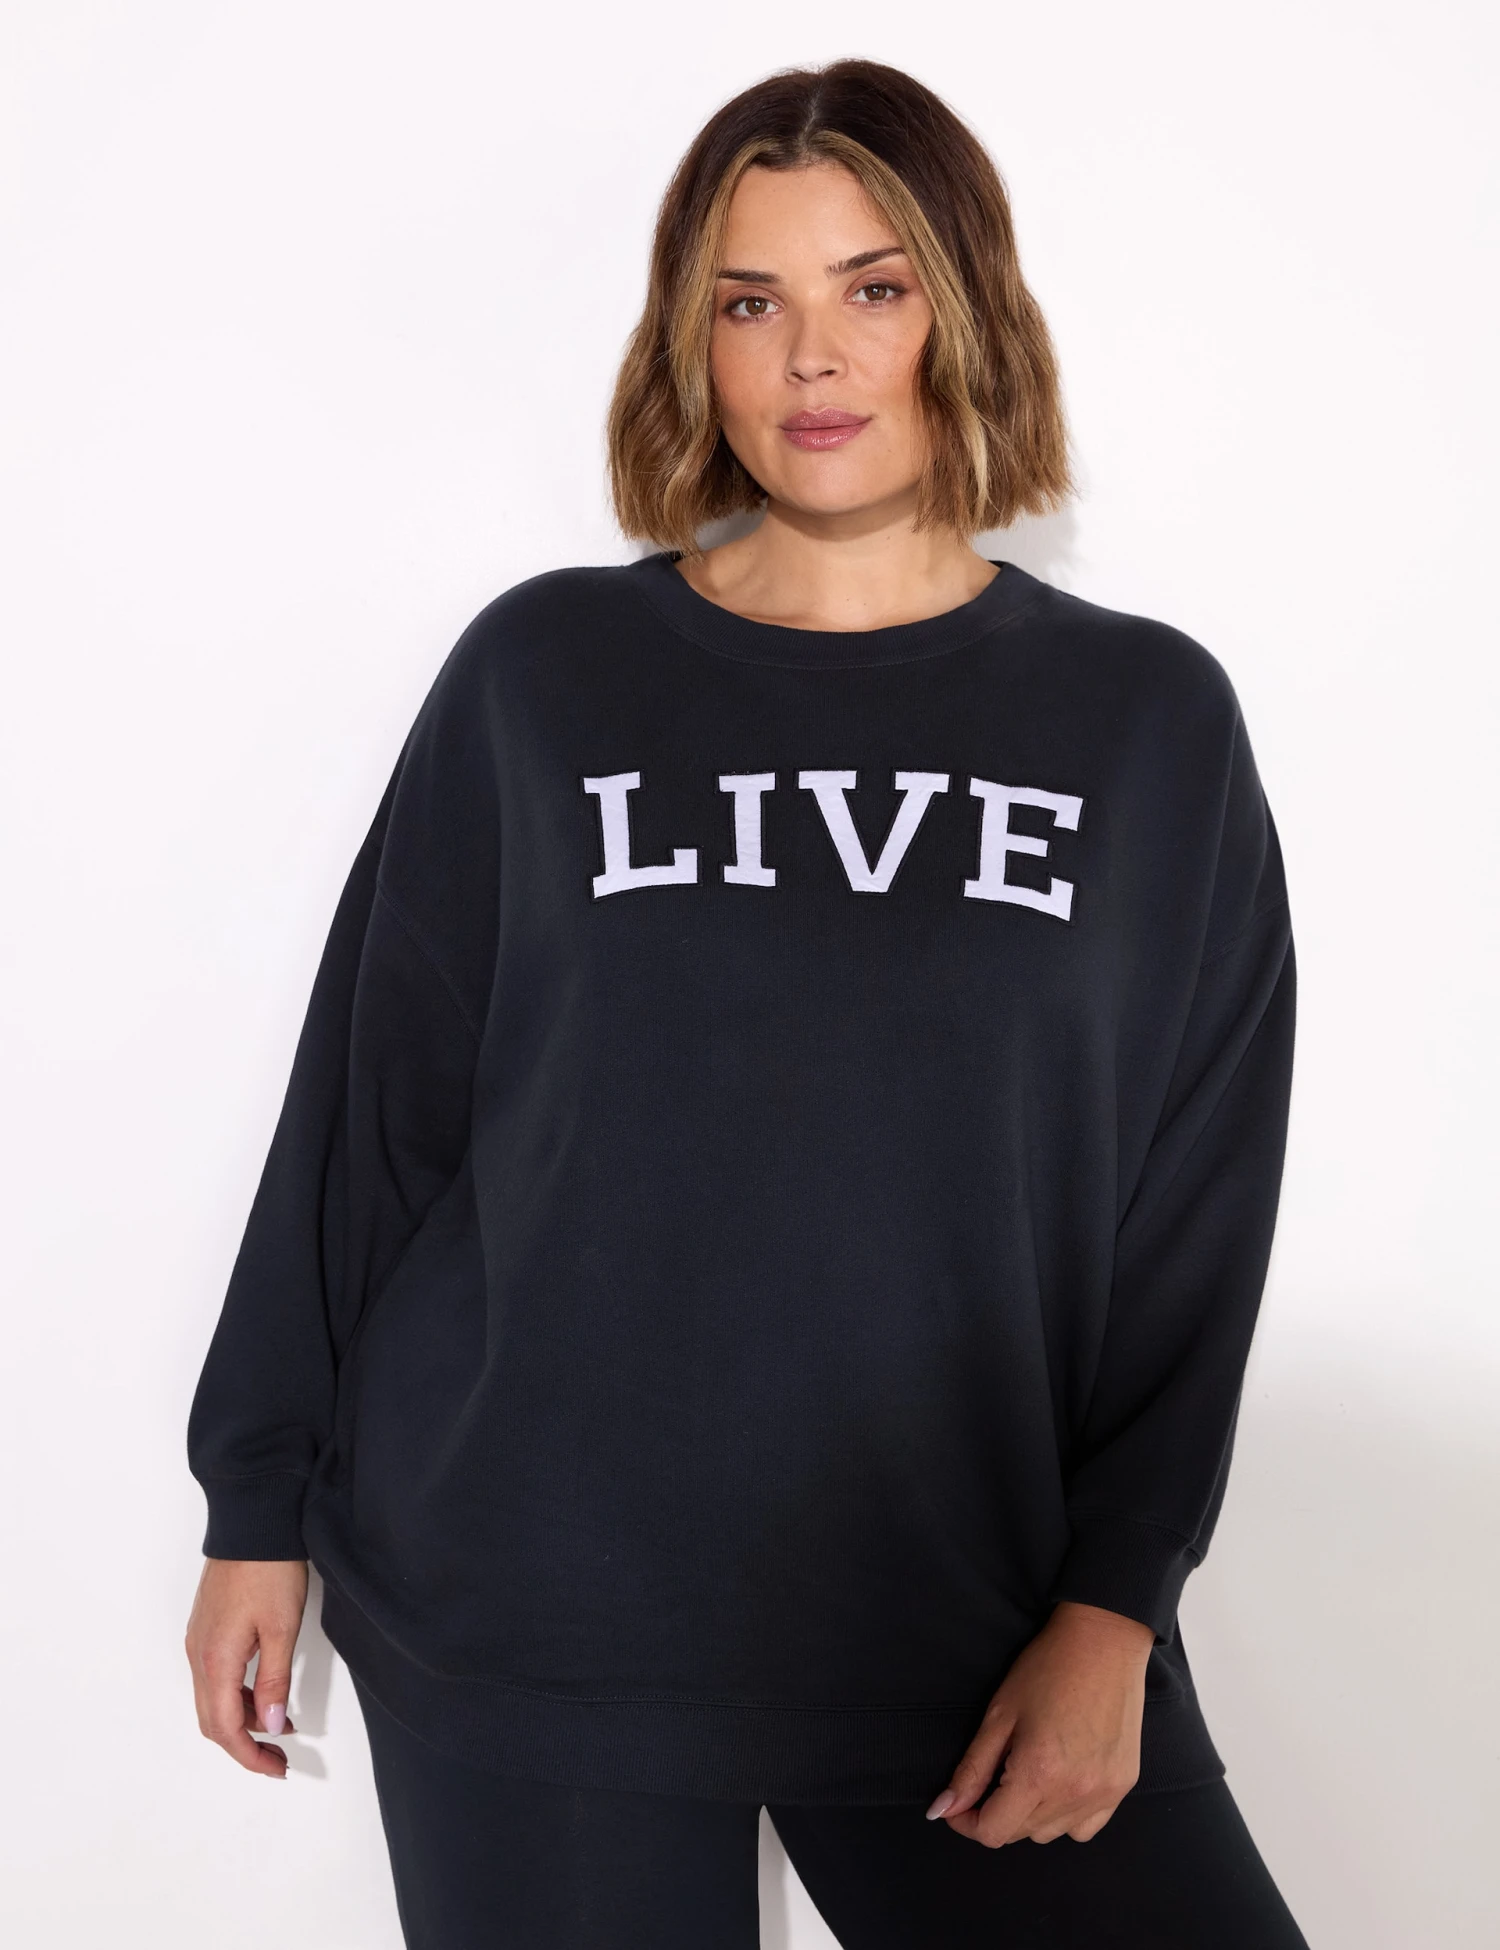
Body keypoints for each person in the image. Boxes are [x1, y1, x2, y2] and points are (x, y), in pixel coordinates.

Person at [184, 57, 1309, 1949]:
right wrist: (255, 1501)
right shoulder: (544, 674)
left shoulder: (1146, 722)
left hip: (960, 1614)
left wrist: (1117, 1605)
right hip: (532, 1613)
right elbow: (374, 1117)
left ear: (967, 311)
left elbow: (1193, 1207)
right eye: (749, 301)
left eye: (874, 287)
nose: (813, 357)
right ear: (688, 345)